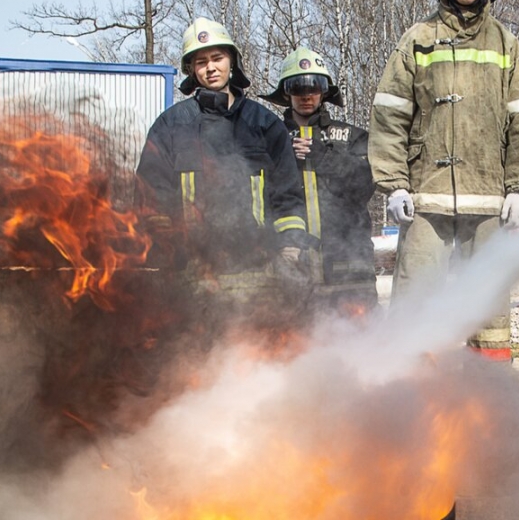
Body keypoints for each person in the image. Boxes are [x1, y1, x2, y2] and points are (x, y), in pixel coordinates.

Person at [368, 0, 519, 357]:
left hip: (487, 201)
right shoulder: (417, 41)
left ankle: (487, 406)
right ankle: (411, 404)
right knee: (415, 302)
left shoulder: (506, 44)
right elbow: (389, 116)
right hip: (425, 199)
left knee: (488, 313)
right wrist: (393, 184)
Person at [135, 18, 309, 304]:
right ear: (191, 70)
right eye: (201, 62)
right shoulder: (170, 126)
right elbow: (151, 196)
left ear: (232, 62)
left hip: (260, 275)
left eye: (217, 58)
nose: (211, 67)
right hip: (191, 278)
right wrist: (165, 252)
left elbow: (287, 195)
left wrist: (290, 248)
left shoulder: (264, 124)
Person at [261, 47, 379, 314]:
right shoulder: (269, 139)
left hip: (348, 265)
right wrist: (282, 156)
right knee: (297, 348)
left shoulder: (351, 137)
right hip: (292, 266)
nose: (306, 95)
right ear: (285, 92)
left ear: (326, 91)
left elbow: (367, 183)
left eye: (315, 86)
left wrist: (322, 156)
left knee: (363, 345)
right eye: (297, 87)